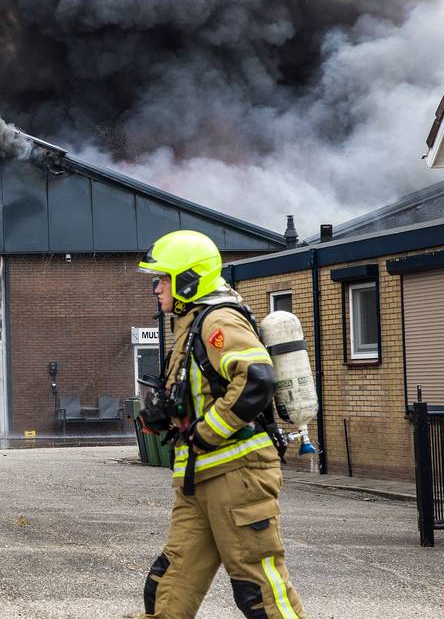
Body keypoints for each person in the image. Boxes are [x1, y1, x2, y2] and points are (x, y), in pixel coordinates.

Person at [136, 230, 304, 619]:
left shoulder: (219, 319)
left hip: (238, 477)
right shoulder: (189, 324)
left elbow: (257, 378)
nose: (156, 288)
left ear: (188, 279)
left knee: (259, 590)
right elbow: (201, 390)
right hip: (199, 480)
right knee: (168, 584)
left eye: (162, 279)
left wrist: (205, 431)